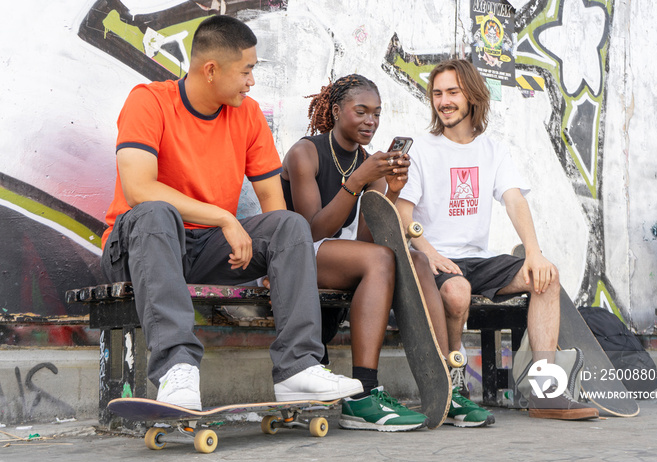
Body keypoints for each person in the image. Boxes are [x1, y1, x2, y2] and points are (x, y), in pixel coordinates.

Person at [100, 15, 362, 411]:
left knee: (290, 225)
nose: (251, 81)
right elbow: (139, 188)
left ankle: (298, 368)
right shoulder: (149, 100)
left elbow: (274, 204)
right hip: (140, 247)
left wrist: (280, 264)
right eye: (246, 70)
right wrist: (224, 218)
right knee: (155, 213)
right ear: (211, 70)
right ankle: (176, 369)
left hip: (206, 249)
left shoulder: (248, 114)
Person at [281, 74, 492, 430]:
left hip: (343, 257)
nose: (370, 122)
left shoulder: (370, 163)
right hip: (294, 256)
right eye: (360, 112)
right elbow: (310, 231)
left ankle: (444, 384)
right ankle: (363, 393)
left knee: (417, 259)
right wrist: (357, 181)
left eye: (376, 114)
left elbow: (366, 239)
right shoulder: (306, 152)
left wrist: (390, 190)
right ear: (335, 111)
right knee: (382, 258)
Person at [396, 59, 599, 421]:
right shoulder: (422, 150)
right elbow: (402, 212)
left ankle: (544, 391)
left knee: (546, 278)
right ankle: (453, 384)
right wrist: (429, 251)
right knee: (456, 292)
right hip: (432, 260)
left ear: (472, 96)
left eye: (452, 92)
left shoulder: (492, 149)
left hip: (478, 259)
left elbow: (514, 200)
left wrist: (534, 254)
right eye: (438, 93)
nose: (443, 101)